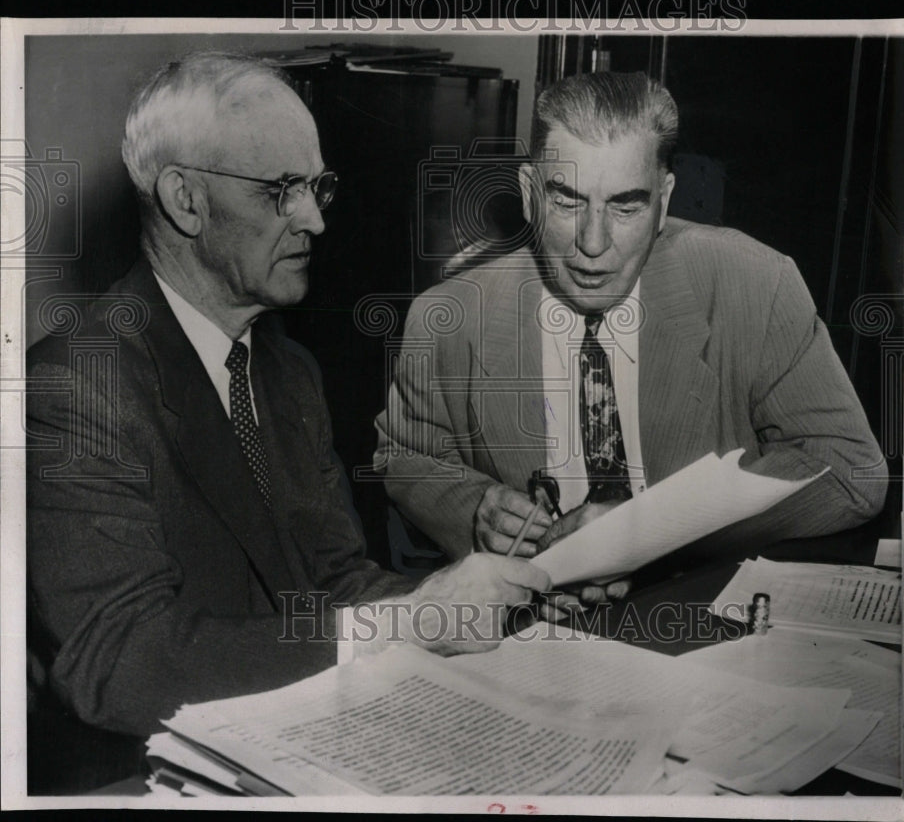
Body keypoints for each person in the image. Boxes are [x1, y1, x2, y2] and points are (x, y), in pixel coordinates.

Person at [26, 52, 549, 743]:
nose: (316, 222)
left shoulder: (286, 369)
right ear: (186, 200)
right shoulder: (75, 385)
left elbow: (335, 583)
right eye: (281, 190)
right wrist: (404, 623)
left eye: (317, 188)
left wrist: (500, 595)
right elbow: (119, 662)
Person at [375, 71, 887, 593]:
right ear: (530, 195)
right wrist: (476, 508)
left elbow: (852, 471)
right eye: (568, 201)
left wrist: (651, 532)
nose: (594, 243)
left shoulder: (755, 284)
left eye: (626, 205)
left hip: (696, 619)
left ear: (664, 199)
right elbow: (406, 456)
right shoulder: (450, 317)